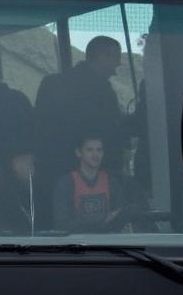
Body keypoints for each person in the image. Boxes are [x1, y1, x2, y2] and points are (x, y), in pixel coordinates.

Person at [35, 35, 129, 187]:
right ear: (101, 57)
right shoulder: (102, 90)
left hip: (52, 172)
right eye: (116, 57)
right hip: (93, 176)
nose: (119, 63)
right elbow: (108, 131)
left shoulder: (51, 83)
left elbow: (39, 127)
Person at [51, 134, 129, 233]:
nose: (95, 155)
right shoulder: (65, 184)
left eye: (99, 150)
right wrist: (102, 219)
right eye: (89, 150)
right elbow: (61, 226)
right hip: (77, 245)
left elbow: (121, 218)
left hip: (108, 243)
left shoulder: (112, 182)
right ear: (78, 152)